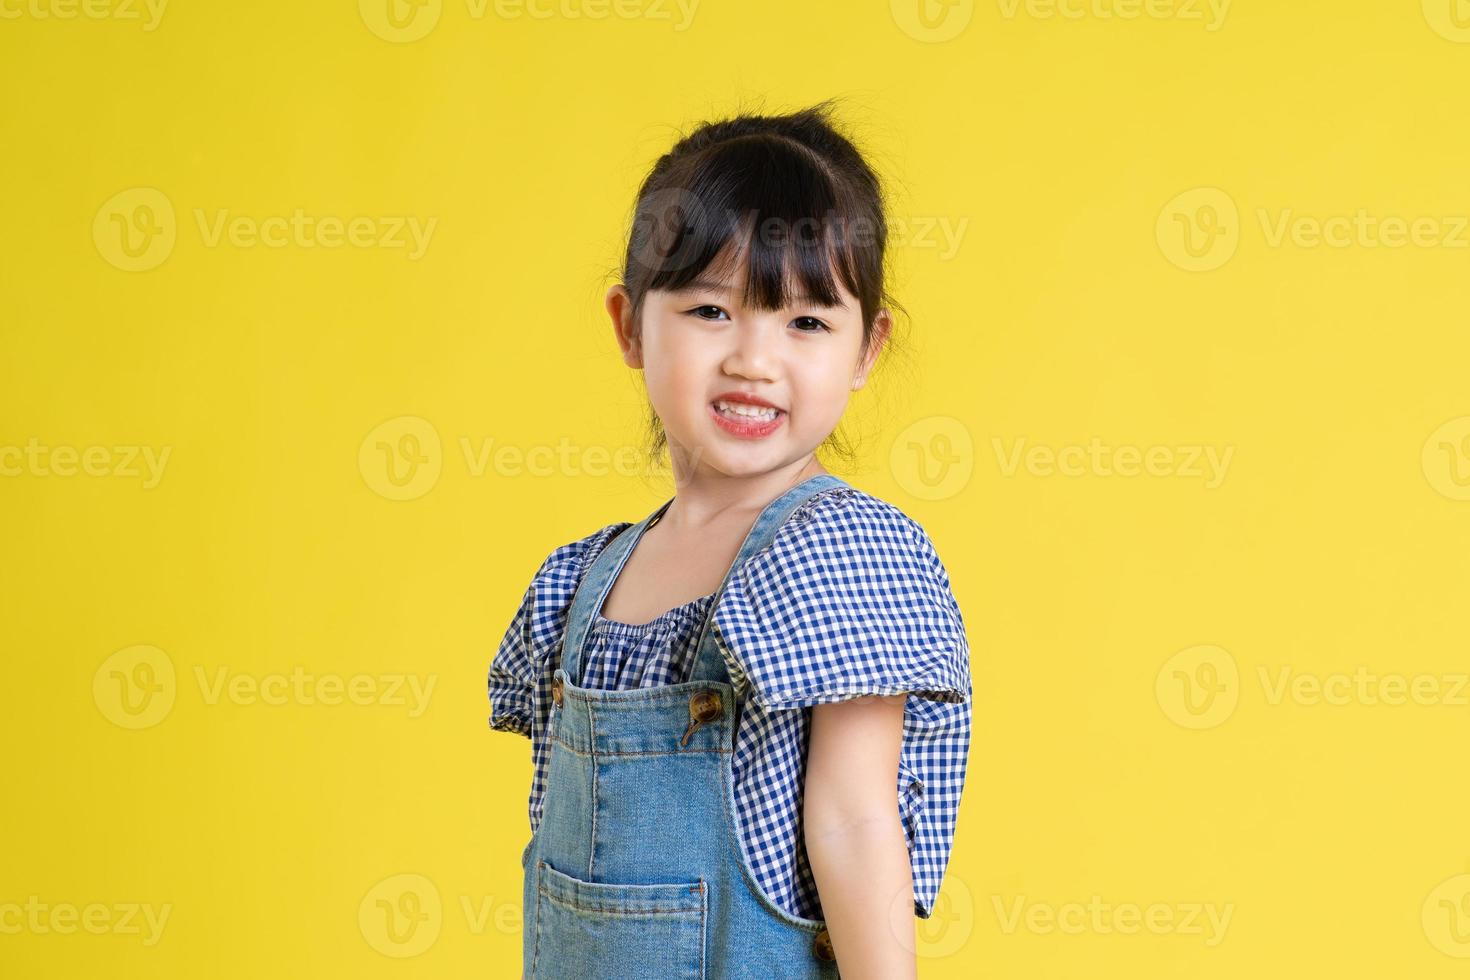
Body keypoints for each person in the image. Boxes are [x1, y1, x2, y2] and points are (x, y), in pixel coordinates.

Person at [487, 100, 972, 979]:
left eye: (807, 323)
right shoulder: (586, 580)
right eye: (711, 311)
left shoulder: (839, 554)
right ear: (631, 324)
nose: (753, 359)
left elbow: (857, 825)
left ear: (868, 350)